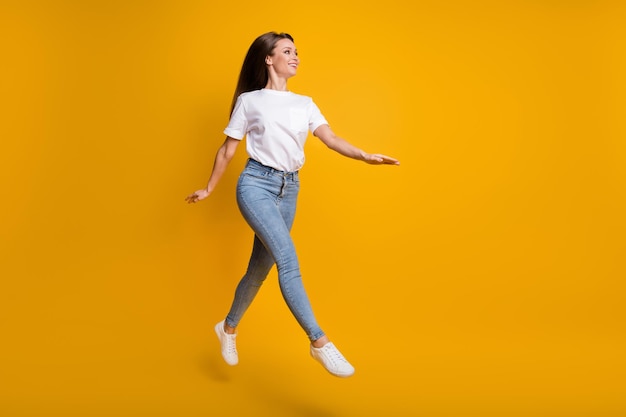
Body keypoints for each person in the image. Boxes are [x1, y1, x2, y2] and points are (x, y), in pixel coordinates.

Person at [186, 32, 399, 378]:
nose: (296, 56)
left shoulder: (305, 103)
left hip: (289, 189)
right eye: (287, 51)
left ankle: (227, 328)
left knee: (259, 270)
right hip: (255, 185)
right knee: (287, 258)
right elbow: (228, 149)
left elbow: (329, 139)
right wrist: (209, 189)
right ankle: (320, 342)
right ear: (269, 59)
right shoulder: (250, 101)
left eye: (297, 51)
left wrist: (364, 155)